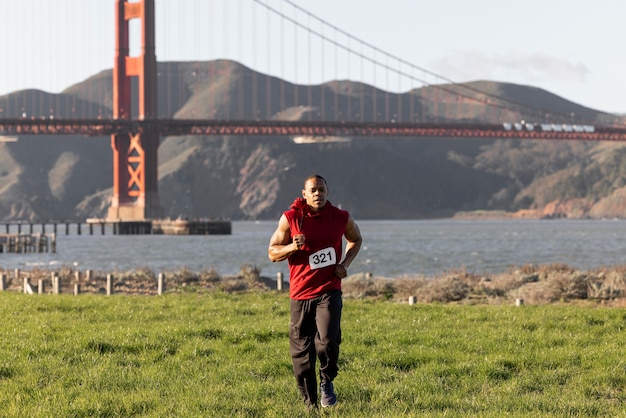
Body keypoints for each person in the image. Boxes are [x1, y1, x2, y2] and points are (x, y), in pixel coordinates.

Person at [268, 174, 362, 409]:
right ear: (305, 194)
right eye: (313, 190)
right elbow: (272, 253)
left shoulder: (341, 218)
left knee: (328, 340)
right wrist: (292, 246)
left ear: (327, 192)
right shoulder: (290, 219)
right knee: (302, 354)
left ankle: (327, 381)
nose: (318, 193)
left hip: (329, 289)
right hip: (300, 294)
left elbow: (356, 239)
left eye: (322, 189)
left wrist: (345, 264)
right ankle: (311, 406)